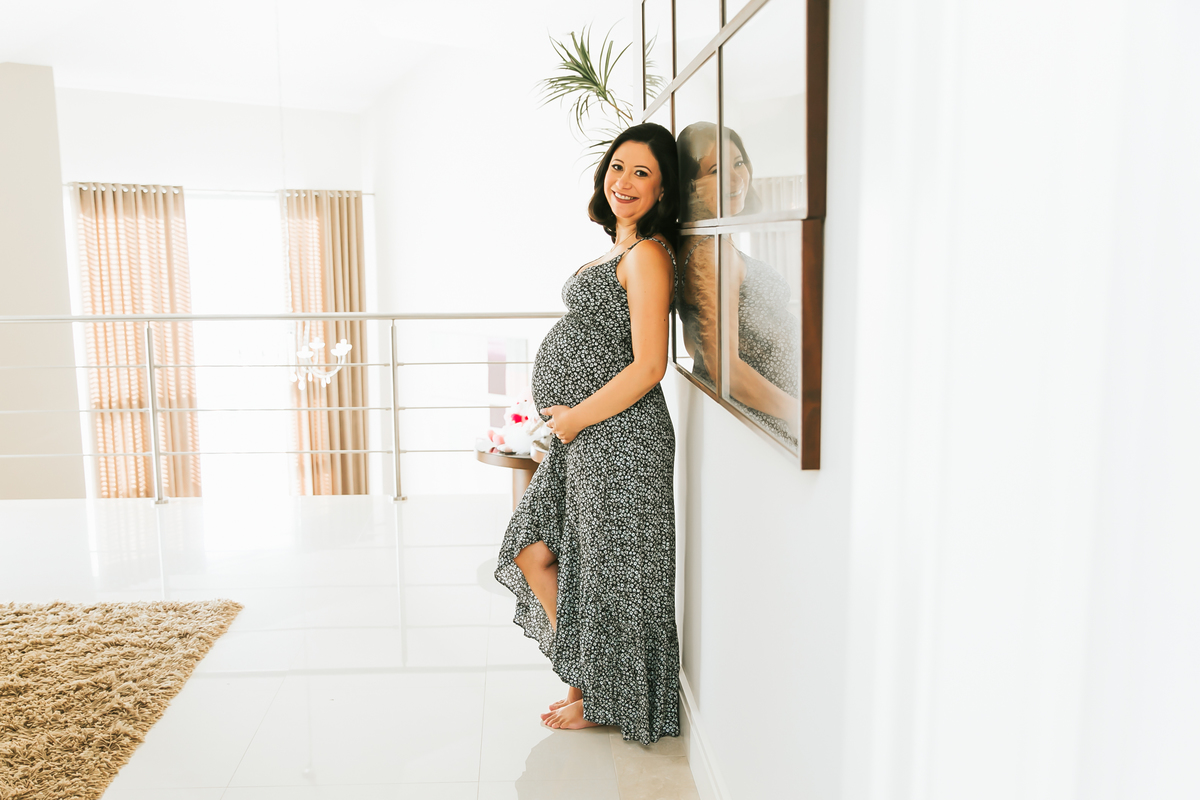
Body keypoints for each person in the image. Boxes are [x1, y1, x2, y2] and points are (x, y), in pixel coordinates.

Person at [494, 122, 681, 744]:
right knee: (542, 552)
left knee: (603, 571)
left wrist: (573, 417)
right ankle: (591, 683)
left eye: (642, 173)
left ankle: (597, 696)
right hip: (588, 434)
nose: (624, 181)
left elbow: (649, 365)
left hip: (621, 435)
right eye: (618, 167)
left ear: (662, 190)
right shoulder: (616, 249)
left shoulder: (647, 254)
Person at [676, 121, 801, 444]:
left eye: (738, 163)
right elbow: (725, 370)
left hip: (766, 414)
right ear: (689, 185)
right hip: (765, 422)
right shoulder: (709, 252)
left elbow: (695, 343)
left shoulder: (708, 240)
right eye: (716, 170)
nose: (735, 179)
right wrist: (802, 413)